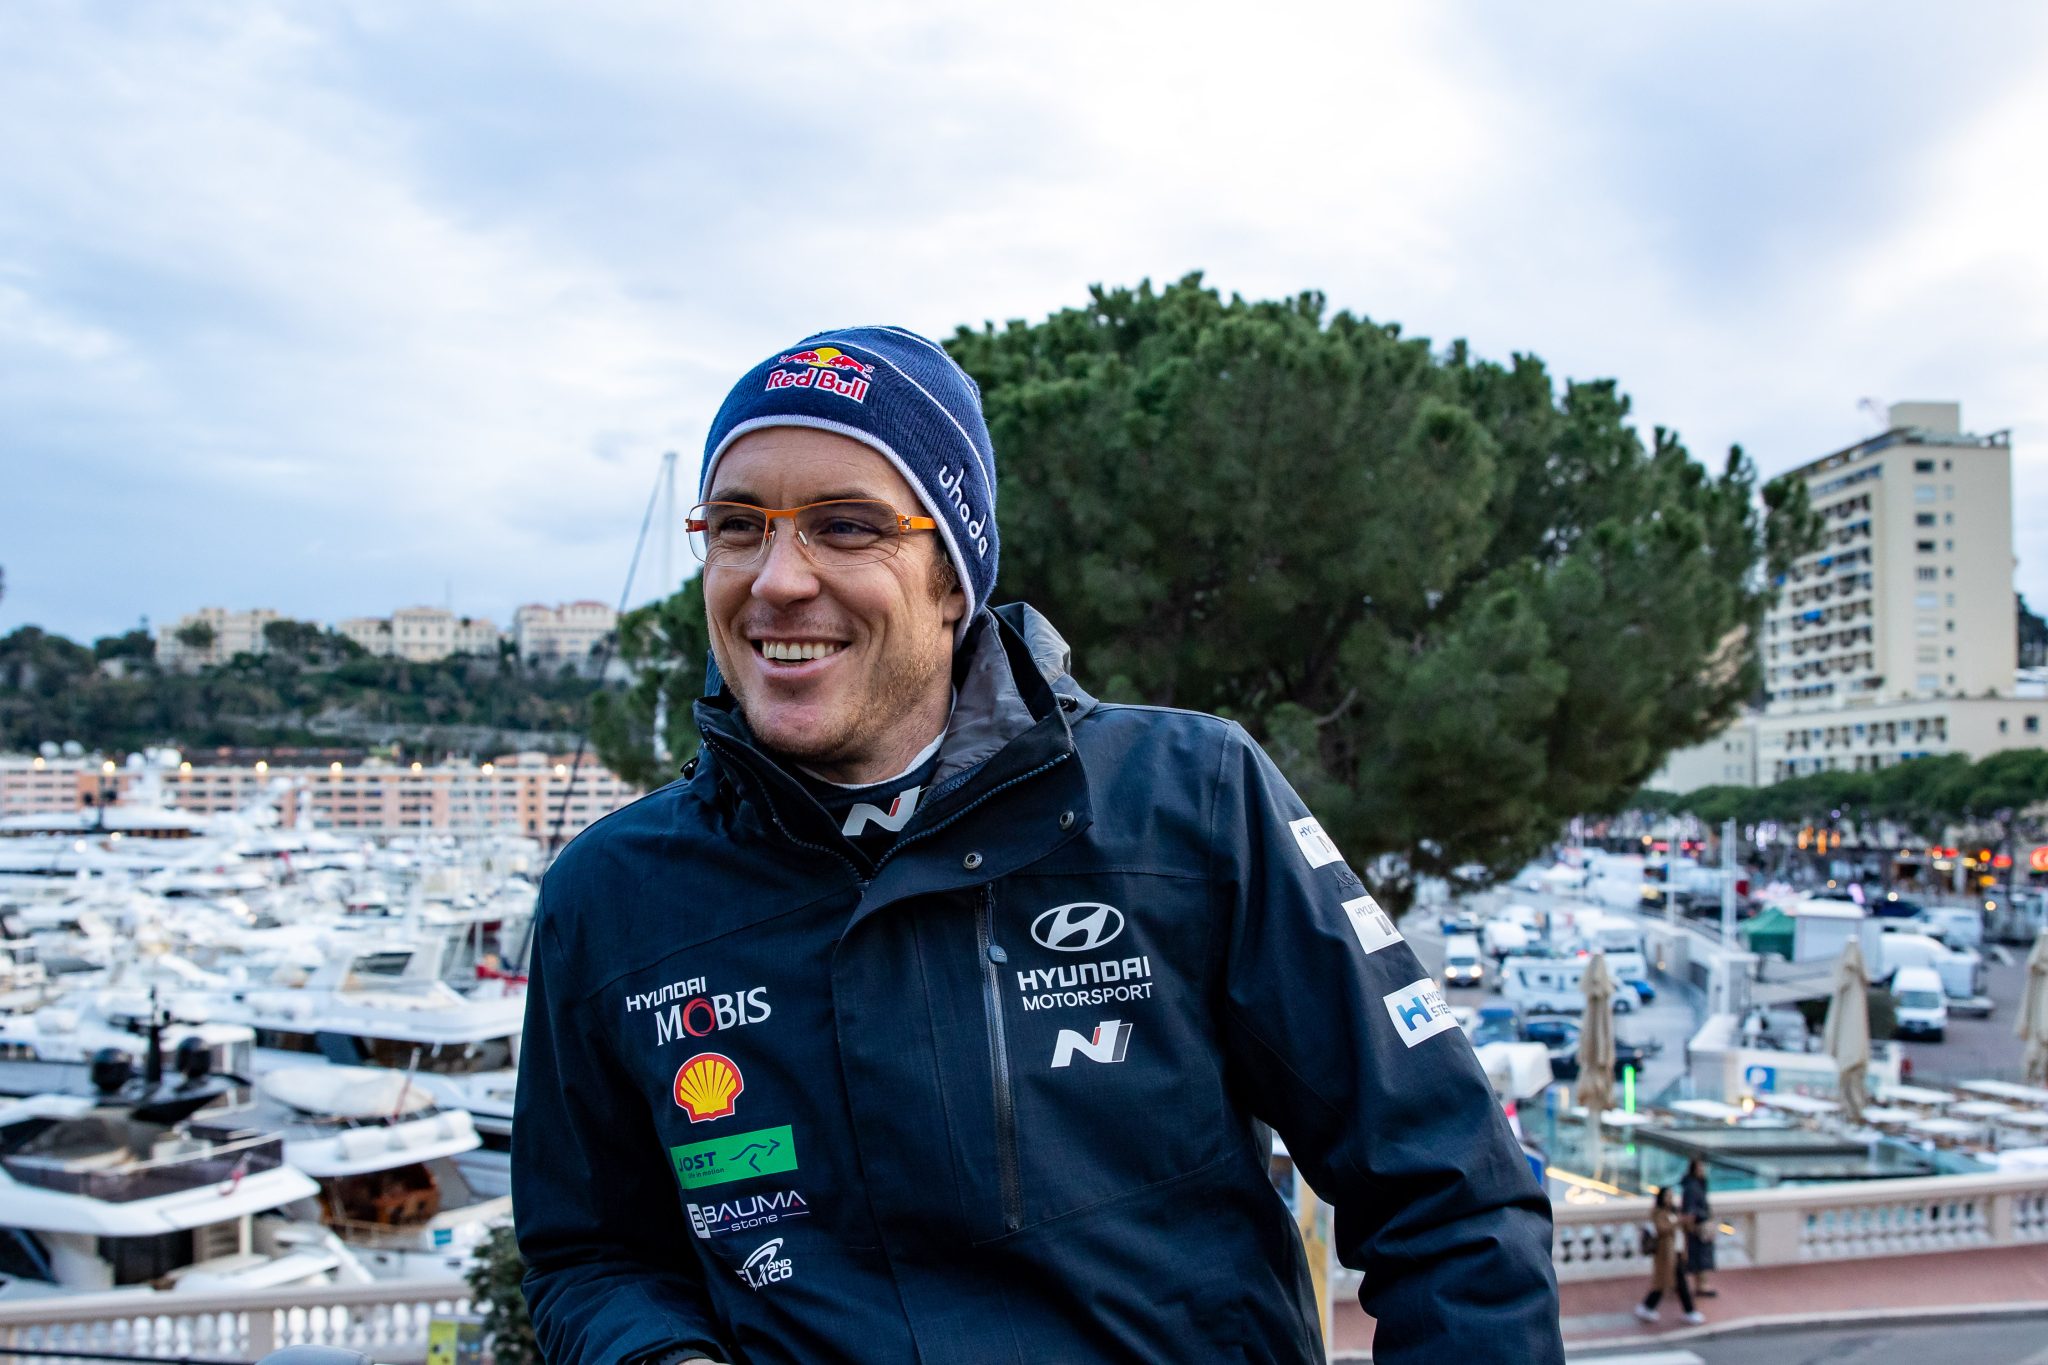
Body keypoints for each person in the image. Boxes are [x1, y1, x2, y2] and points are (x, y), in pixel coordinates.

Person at [512, 325, 1565, 1365]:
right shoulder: (611, 897)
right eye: (739, 526)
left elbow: (1451, 1195)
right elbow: (592, 1257)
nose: (777, 578)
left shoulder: (1190, 800)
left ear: (953, 576)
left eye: (845, 526)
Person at [1634, 1186, 1704, 1326]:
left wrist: (1687, 1221)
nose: (1670, 1198)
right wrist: (1679, 1221)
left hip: (1677, 1251)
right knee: (1676, 1282)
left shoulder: (1674, 1211)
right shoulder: (1658, 1213)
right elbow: (1662, 1229)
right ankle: (1689, 1311)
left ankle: (1648, 1306)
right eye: (1668, 1196)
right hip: (1666, 1253)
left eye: (1671, 1196)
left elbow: (1683, 1228)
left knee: (1667, 1283)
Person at [1680, 1156, 1716, 1298]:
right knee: (1698, 1256)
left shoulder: (1696, 1185)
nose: (1703, 1170)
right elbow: (1690, 1211)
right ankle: (1700, 1285)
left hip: (1699, 1225)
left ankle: (1701, 1284)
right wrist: (1690, 1227)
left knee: (1700, 1256)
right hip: (1697, 1227)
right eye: (1701, 1167)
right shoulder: (1692, 1187)